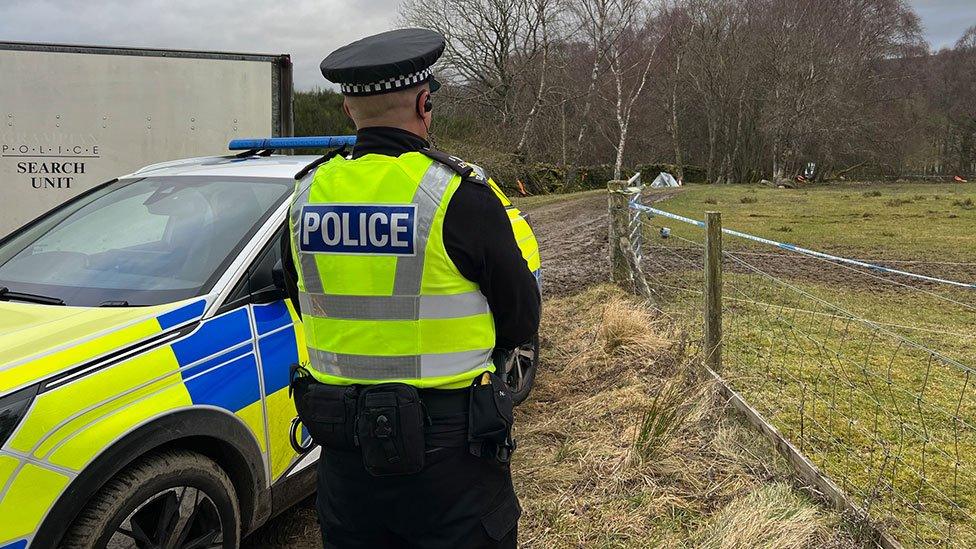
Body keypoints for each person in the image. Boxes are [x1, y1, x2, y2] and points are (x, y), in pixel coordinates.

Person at [281, 28, 541, 549]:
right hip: (451, 453)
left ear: (347, 113)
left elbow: (298, 293)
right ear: (425, 103)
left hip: (343, 454)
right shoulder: (457, 194)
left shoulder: (305, 194)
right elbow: (519, 315)